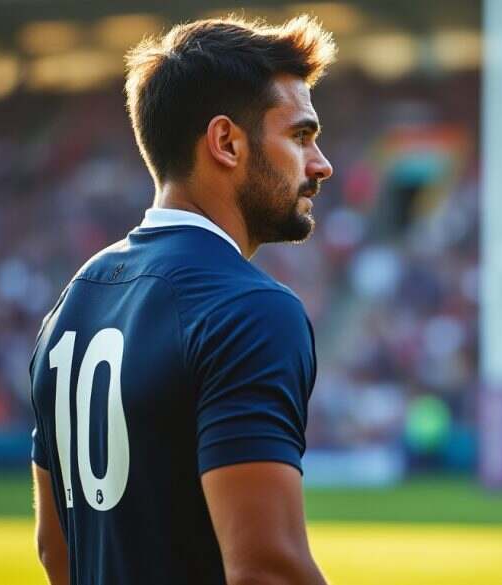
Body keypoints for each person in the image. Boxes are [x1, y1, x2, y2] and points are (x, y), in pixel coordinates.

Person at [29, 15, 335, 585]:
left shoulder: (73, 301)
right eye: (300, 136)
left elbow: (55, 549)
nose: (321, 164)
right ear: (226, 142)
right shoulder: (248, 310)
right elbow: (267, 569)